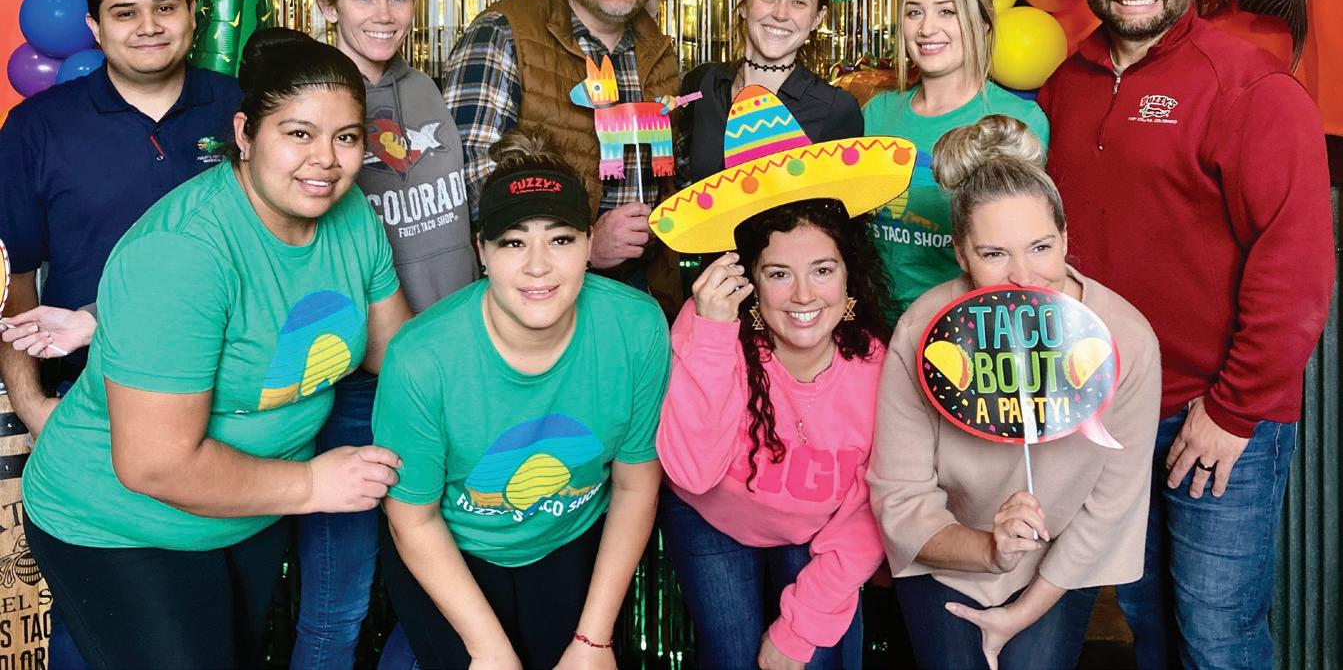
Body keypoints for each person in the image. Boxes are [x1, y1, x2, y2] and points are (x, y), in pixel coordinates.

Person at [19, 29, 412, 669]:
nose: (326, 160)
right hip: (121, 523)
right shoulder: (184, 252)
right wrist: (313, 482)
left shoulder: (351, 218)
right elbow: (155, 466)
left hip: (248, 510)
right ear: (245, 133)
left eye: (345, 137)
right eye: (299, 133)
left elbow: (393, 351)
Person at [1037, 0, 1333, 670]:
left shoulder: (1247, 87)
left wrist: (1231, 412)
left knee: (1217, 639)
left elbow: (1294, 267)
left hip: (1211, 414)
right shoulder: (1061, 81)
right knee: (1152, 627)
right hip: (1106, 412)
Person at [0, 0, 242, 668]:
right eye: (125, 13)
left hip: (233, 407)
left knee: (215, 625)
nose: (148, 27)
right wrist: (34, 406)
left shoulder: (242, 111)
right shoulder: (38, 127)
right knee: (97, 623)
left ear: (192, 14)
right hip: (90, 411)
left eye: (165, 7)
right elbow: (14, 281)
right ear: (95, 27)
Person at [868, 115, 1161, 670]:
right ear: (960, 254)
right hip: (946, 553)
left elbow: (1111, 506)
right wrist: (989, 549)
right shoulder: (923, 331)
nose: (1024, 276)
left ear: (1066, 238)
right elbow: (901, 495)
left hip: (1057, 565)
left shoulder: (1124, 339)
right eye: (994, 254)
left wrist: (1022, 611)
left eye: (1041, 247)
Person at [372, 130, 670, 669]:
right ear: (481, 251)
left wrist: (594, 639)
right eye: (513, 242)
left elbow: (635, 482)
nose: (538, 266)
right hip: (455, 548)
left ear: (589, 244)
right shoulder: (420, 358)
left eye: (560, 240)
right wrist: (490, 652)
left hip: (571, 539)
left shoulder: (637, 326)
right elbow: (412, 519)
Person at [294, 0, 478, 669]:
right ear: (328, 4)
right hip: (360, 386)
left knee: (447, 586)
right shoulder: (316, 111)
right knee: (337, 602)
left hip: (450, 369)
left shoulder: (425, 89)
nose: (384, 13)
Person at [657, 199, 891, 670]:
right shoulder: (710, 329)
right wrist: (712, 332)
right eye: (779, 274)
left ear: (849, 278)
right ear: (752, 282)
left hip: (819, 528)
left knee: (815, 657)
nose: (803, 295)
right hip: (710, 515)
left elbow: (866, 519)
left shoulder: (879, 367)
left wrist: (798, 632)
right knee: (732, 659)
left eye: (822, 270)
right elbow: (692, 473)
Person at [441, 0, 682, 312]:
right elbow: (472, 178)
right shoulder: (503, 32)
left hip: (638, 292)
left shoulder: (658, 50)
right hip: (533, 296)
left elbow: (669, 171)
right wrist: (583, 243)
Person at [863, 0, 1049, 318]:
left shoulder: (1018, 120)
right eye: (914, 12)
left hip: (964, 327)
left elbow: (1020, 248)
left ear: (983, 24)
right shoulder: (877, 113)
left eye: (947, 11)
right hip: (873, 326)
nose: (926, 28)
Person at [677, 0, 863, 186]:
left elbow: (843, 204)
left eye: (798, 2)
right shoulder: (703, 83)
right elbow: (682, 188)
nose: (780, 14)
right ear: (743, 3)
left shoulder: (837, 110)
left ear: (817, 18)